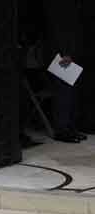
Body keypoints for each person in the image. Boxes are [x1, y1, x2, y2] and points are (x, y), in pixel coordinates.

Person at [44, 0, 85, 143]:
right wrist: (65, 52)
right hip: (61, 54)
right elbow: (59, 27)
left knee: (72, 91)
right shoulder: (59, 4)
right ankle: (62, 129)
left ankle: (71, 127)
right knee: (63, 92)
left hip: (71, 50)